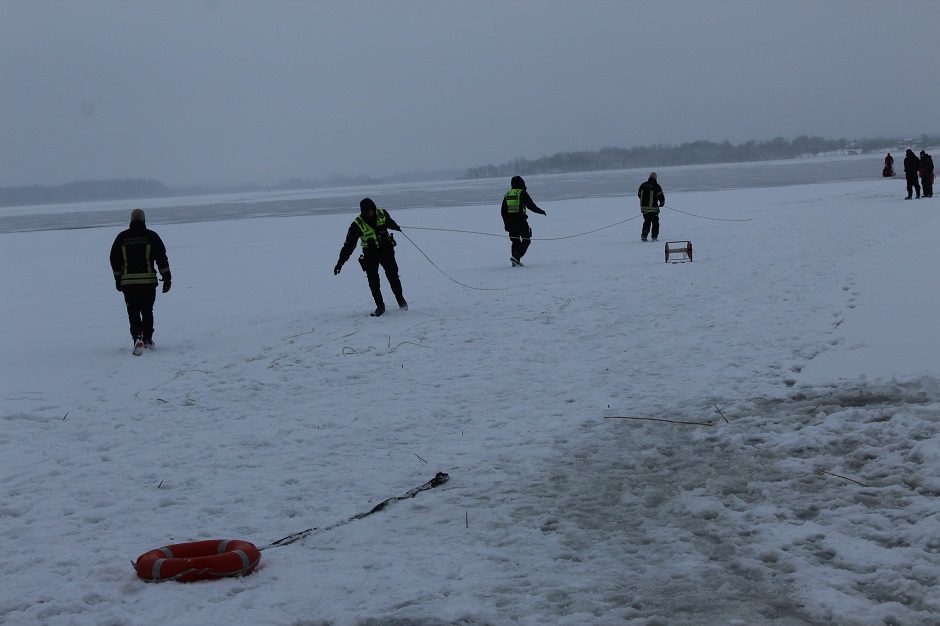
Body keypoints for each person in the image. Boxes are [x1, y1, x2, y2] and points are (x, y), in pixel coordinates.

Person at [109, 208, 171, 355]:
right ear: (144, 220)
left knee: (133, 312)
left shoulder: (122, 237)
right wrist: (167, 277)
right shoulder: (151, 236)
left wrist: (118, 278)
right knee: (147, 310)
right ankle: (148, 339)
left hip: (129, 284)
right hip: (148, 282)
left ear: (131, 220)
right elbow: (162, 258)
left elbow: (114, 259)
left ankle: (137, 337)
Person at [333, 198, 407, 317]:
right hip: (370, 254)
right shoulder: (357, 224)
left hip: (386, 251)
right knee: (373, 282)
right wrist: (340, 263)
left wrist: (396, 227)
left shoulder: (382, 213)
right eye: (367, 211)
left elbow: (390, 222)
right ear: (363, 212)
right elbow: (349, 246)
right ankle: (380, 307)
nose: (370, 213)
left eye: (372, 210)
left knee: (393, 276)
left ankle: (401, 301)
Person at [500, 175, 547, 267]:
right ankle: (516, 258)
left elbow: (503, 211)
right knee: (526, 240)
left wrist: (506, 223)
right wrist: (541, 211)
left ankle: (515, 261)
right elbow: (531, 205)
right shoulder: (522, 193)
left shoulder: (508, 194)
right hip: (520, 222)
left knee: (515, 242)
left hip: (510, 223)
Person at [637, 171, 665, 241]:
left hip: (644, 208)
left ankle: (644, 236)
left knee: (647, 221)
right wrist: (662, 203)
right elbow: (661, 196)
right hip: (653, 209)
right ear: (655, 178)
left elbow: (639, 195)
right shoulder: (656, 186)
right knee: (655, 222)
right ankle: (654, 237)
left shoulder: (642, 185)